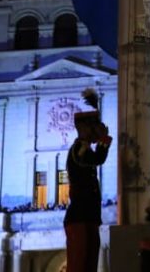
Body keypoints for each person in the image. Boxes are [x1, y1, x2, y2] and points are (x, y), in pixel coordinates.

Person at [65, 88, 112, 272]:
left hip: (89, 215)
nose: (95, 132)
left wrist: (103, 140)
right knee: (80, 264)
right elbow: (97, 160)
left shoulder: (85, 149)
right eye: (93, 127)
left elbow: (96, 159)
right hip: (79, 217)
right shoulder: (78, 149)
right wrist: (104, 140)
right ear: (83, 129)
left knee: (89, 264)